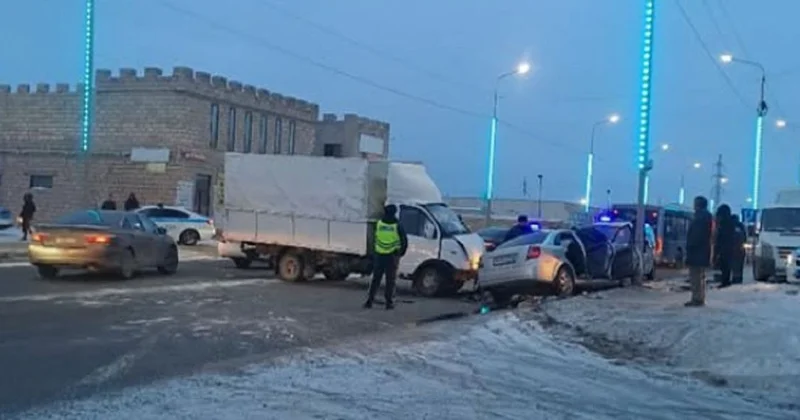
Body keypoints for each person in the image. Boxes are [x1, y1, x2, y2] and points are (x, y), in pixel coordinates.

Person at [364, 204, 408, 310]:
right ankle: (389, 303)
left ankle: (370, 301)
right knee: (390, 280)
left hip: (379, 255)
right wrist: (401, 252)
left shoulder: (379, 224)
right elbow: (404, 241)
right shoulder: (397, 225)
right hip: (392, 256)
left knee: (376, 279)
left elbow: (374, 237)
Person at [685, 195, 713, 306]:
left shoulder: (700, 218)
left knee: (695, 276)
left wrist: (690, 246)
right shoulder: (706, 217)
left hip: (697, 251)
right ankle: (699, 297)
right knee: (699, 276)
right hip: (702, 251)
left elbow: (696, 235)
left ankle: (697, 298)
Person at [714, 204, 736, 288]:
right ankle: (725, 280)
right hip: (728, 248)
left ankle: (725, 281)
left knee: (725, 265)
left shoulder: (725, 225)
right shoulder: (730, 223)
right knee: (726, 265)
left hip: (725, 248)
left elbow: (722, 237)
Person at [731, 214, 747, 284]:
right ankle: (739, 278)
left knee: (734, 264)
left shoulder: (731, 226)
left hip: (733, 248)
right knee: (739, 264)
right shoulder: (741, 226)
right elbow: (744, 237)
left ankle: (735, 278)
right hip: (740, 248)